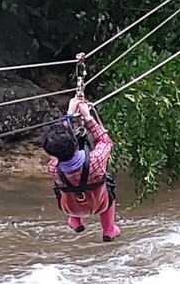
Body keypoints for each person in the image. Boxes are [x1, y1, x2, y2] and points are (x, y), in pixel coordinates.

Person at [41, 97, 121, 242]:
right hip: (100, 203)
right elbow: (105, 140)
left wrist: (69, 116)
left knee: (70, 188)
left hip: (70, 207)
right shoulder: (96, 160)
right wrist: (88, 118)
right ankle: (109, 230)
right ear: (73, 141)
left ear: (50, 153)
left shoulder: (53, 168)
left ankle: (76, 221)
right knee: (108, 186)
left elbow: (60, 145)